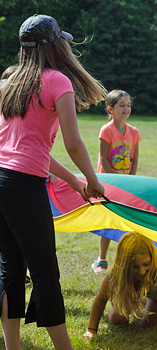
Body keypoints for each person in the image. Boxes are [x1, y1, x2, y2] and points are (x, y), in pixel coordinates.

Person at [0, 14, 106, 350]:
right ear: (55, 44)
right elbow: (73, 143)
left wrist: (74, 182)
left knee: (11, 269)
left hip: (1, 181)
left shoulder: (9, 82)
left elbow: (26, 149)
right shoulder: (57, 81)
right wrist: (93, 180)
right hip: (23, 188)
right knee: (45, 273)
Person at [84, 231, 157, 350]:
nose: (142, 271)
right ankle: (136, 299)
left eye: (146, 264)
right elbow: (101, 298)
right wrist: (91, 330)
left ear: (152, 257)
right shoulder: (117, 268)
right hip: (133, 284)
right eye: (135, 267)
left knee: (149, 326)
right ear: (124, 264)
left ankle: (154, 302)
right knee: (117, 318)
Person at [91, 90, 142, 276]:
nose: (126, 108)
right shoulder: (107, 130)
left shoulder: (134, 132)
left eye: (128, 105)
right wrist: (115, 180)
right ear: (110, 109)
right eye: (122, 105)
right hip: (109, 183)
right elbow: (104, 158)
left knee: (125, 222)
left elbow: (135, 159)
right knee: (108, 221)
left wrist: (130, 180)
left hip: (126, 183)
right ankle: (102, 259)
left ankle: (124, 261)